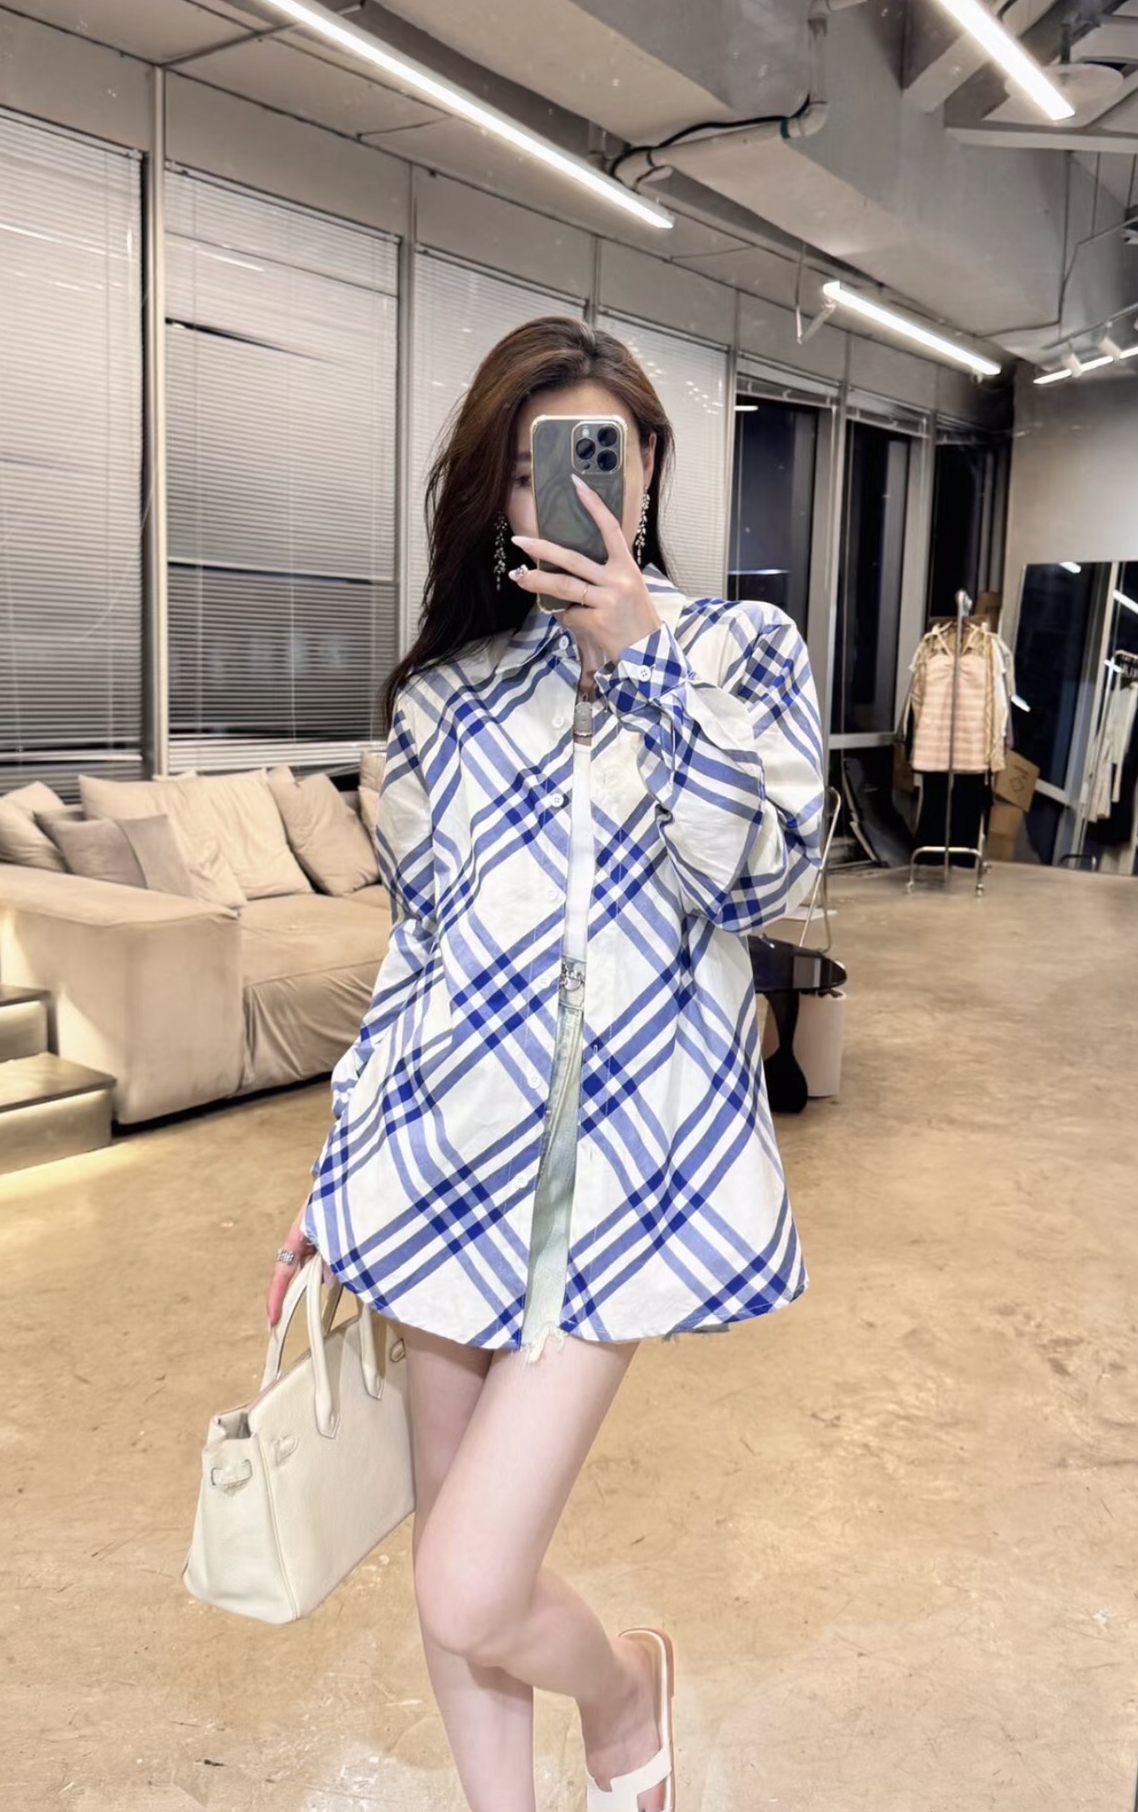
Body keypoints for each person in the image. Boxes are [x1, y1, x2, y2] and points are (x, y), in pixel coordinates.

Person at [265, 317, 825, 1812]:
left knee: (470, 1578)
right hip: (443, 1172)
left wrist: (641, 658)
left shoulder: (740, 655)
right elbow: (418, 958)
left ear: (645, 472)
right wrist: (332, 1182)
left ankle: (626, 1687)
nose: (566, 494)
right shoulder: (445, 698)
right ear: (492, 492)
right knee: (449, 1572)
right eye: (529, 469)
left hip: (626, 1186)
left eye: (598, 459)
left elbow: (765, 880)